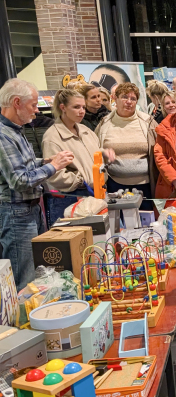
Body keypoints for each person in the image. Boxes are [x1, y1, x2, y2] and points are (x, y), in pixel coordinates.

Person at [0, 79, 74, 288]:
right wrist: (54, 166)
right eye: (33, 105)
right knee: (25, 279)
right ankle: (22, 320)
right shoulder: (3, 135)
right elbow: (19, 180)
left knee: (38, 274)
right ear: (16, 102)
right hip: (17, 214)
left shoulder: (16, 130)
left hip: (30, 210)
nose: (36, 110)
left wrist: (45, 162)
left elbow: (24, 166)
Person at [43, 89, 115, 224]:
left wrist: (104, 154)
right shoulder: (52, 137)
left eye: (83, 107)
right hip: (72, 197)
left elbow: (93, 153)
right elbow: (54, 173)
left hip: (97, 194)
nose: (81, 111)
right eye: (76, 107)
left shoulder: (86, 131)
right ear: (63, 107)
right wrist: (81, 181)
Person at [95, 82, 158, 209]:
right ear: (115, 99)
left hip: (145, 185)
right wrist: (104, 152)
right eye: (124, 97)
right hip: (114, 184)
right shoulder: (104, 123)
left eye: (133, 98)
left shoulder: (148, 122)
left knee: (146, 222)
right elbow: (94, 147)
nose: (129, 101)